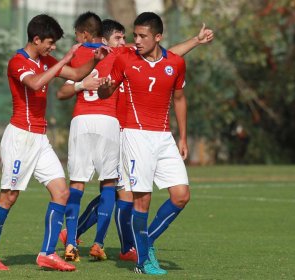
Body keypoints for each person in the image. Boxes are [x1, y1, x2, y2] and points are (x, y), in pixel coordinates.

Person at [58, 16, 214, 264]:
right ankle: (126, 246)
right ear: (104, 39)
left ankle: (78, 233)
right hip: (122, 132)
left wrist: (195, 40)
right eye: (119, 38)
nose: (127, 41)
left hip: (131, 132)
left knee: (118, 192)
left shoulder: (132, 54)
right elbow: (66, 88)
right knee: (122, 193)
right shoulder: (108, 57)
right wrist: (87, 85)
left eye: (127, 37)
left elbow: (166, 57)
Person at [0, 14, 108, 271]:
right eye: (49, 43)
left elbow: (74, 72)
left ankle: (47, 253)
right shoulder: (18, 62)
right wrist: (63, 60)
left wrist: (93, 60)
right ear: (36, 39)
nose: (52, 47)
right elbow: (37, 83)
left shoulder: (46, 60)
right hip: (20, 138)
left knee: (61, 192)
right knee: (9, 197)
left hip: (39, 139)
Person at [97, 12, 192, 275]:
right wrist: (104, 88)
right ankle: (142, 261)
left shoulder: (175, 63)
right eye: (135, 35)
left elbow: (180, 99)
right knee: (143, 201)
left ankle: (145, 242)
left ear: (158, 37)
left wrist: (182, 137)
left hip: (164, 137)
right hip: (135, 135)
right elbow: (108, 90)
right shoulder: (125, 59)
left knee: (181, 195)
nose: (136, 40)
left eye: (142, 36)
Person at [55, 12, 120, 262]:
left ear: (83, 34)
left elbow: (62, 92)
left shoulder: (78, 54)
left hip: (81, 120)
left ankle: (71, 243)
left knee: (77, 183)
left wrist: (81, 84)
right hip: (108, 121)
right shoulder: (117, 54)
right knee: (109, 184)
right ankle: (98, 244)